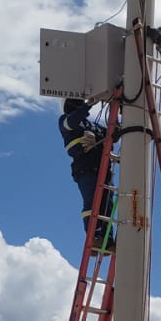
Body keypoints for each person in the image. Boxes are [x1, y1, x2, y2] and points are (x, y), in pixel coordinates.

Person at [58, 96, 117, 253]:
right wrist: (89, 104)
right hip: (85, 168)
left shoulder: (94, 126)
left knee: (107, 205)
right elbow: (71, 122)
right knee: (92, 203)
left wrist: (116, 110)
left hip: (102, 170)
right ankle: (94, 236)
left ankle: (107, 239)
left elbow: (114, 135)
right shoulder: (65, 121)